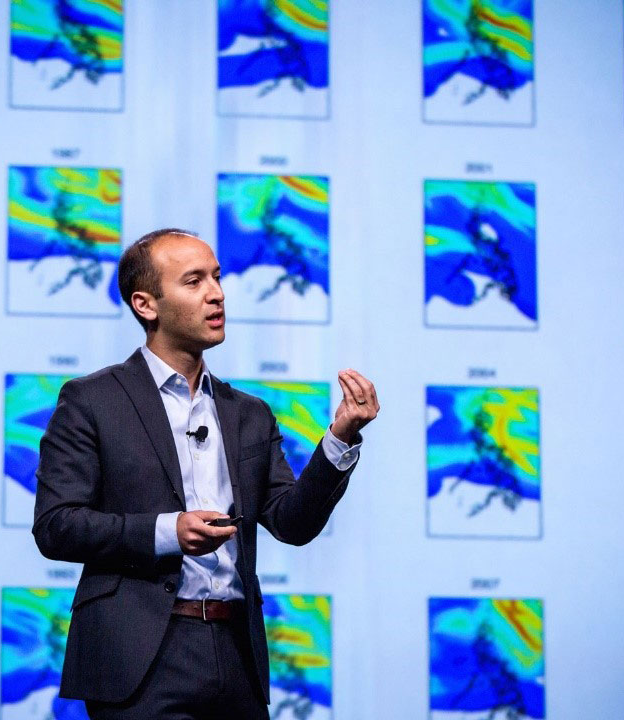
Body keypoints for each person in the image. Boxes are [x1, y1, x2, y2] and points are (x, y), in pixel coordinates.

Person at [33, 228, 379, 718]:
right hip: (140, 655)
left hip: (235, 652)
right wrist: (167, 531)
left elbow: (292, 523)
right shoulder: (92, 401)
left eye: (216, 278)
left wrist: (340, 439)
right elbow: (57, 526)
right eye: (193, 282)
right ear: (145, 304)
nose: (216, 293)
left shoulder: (249, 413)